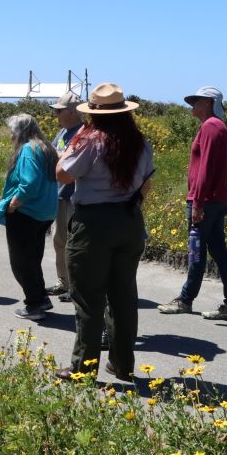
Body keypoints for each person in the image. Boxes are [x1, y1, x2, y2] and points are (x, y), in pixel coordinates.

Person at [53, 83, 153, 382]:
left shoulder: (90, 140)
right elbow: (146, 183)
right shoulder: (140, 142)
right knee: (123, 295)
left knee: (87, 297)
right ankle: (122, 364)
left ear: (94, 113)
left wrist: (71, 147)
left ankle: (83, 368)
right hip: (129, 219)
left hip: (93, 223)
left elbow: (62, 173)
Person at [158, 86, 227, 321]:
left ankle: (186, 300)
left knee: (196, 251)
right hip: (216, 199)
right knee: (219, 252)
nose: (193, 105)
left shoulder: (210, 127)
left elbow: (205, 168)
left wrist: (198, 202)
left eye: (197, 101)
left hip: (206, 201)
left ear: (209, 103)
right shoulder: (217, 127)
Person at [0, 114, 58, 320]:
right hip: (45, 212)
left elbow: (30, 182)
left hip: (27, 212)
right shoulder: (46, 147)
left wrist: (14, 204)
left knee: (21, 262)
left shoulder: (27, 150)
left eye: (12, 131)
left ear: (20, 131)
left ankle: (34, 305)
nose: (10, 135)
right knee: (33, 258)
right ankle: (41, 297)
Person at [46, 92, 84, 303]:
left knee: (73, 244)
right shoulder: (62, 132)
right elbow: (52, 154)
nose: (56, 115)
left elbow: (73, 162)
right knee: (58, 241)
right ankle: (64, 282)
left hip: (74, 197)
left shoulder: (82, 132)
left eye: (59, 110)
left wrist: (59, 158)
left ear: (72, 112)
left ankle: (76, 286)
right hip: (59, 195)